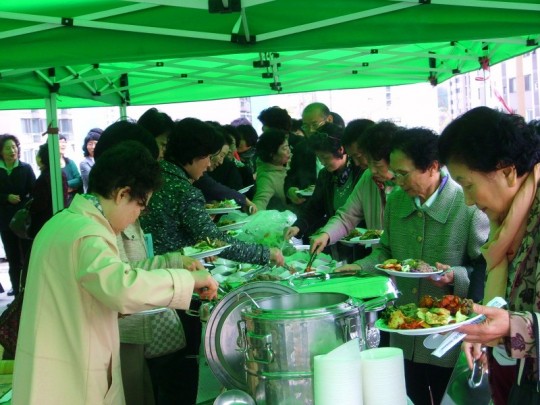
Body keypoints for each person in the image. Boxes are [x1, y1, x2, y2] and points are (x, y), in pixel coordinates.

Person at [12, 141, 218, 405]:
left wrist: (174, 264)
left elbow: (111, 277)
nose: (137, 216)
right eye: (140, 207)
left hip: (56, 359)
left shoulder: (64, 221)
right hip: (71, 371)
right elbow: (121, 287)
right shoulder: (87, 233)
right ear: (122, 194)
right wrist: (187, 280)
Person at [336, 127, 489, 405]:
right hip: (404, 330)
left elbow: (484, 268)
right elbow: (386, 251)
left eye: (404, 173)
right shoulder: (396, 201)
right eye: (395, 172)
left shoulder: (467, 206)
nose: (396, 180)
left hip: (446, 335)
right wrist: (359, 267)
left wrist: (454, 276)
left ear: (432, 167)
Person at [140, 117, 284, 405]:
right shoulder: (182, 190)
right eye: (207, 157)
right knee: (179, 376)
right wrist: (265, 254)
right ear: (194, 156)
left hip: (149, 283)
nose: (209, 165)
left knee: (157, 378)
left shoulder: (156, 179)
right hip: (177, 289)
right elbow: (215, 242)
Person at [439, 106, 540, 405]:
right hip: (516, 377)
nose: (468, 201)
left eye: (469, 186)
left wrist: (513, 327)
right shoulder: (509, 222)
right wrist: (487, 332)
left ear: (507, 171)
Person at [310, 120, 396, 256]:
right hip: (380, 258)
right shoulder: (368, 178)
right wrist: (326, 234)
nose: (357, 163)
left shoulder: (405, 185)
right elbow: (348, 214)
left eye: (359, 156)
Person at [283, 123, 363, 259]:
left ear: (341, 149)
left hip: (363, 242)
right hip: (339, 240)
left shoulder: (361, 172)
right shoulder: (325, 175)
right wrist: (298, 226)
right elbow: (315, 207)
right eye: (319, 158)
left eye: (325, 157)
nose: (322, 162)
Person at [0, 134, 35, 296]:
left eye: (14, 147)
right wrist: (6, 197)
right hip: (5, 221)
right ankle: (16, 291)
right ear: (1, 151)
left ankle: (29, 291)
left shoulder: (25, 168)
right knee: (12, 257)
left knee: (27, 256)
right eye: (8, 148)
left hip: (23, 221)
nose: (12, 151)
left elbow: (34, 192)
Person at [285, 102, 334, 205]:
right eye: (306, 126)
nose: (311, 130)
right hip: (310, 205)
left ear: (329, 119)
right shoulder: (301, 148)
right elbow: (291, 176)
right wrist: (290, 190)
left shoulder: (343, 145)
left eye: (315, 124)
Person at [252, 128, 292, 211]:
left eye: (288, 146)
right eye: (284, 148)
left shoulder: (286, 165)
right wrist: (254, 211)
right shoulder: (267, 177)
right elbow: (260, 201)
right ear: (272, 155)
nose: (289, 151)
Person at [59, 134, 83, 205]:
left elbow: (79, 180)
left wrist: (65, 185)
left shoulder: (70, 162)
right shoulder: (50, 165)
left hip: (73, 200)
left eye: (64, 142)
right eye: (60, 142)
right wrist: (70, 186)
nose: (63, 144)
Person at [79, 128, 102, 193]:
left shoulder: (105, 158)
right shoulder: (84, 163)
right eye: (90, 144)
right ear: (86, 146)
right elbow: (94, 180)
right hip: (92, 196)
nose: (93, 147)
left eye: (96, 143)